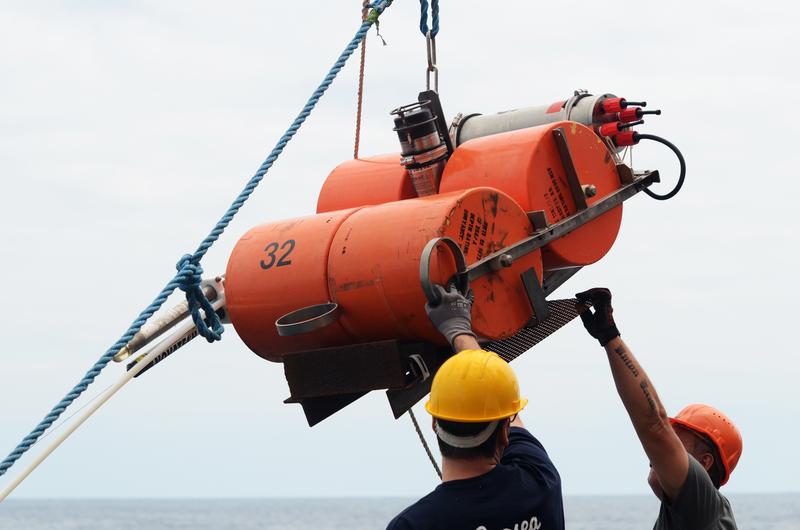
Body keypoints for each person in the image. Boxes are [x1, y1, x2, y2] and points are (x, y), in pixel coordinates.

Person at [387, 285, 565, 530]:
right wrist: (459, 331)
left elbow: (505, 413)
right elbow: (503, 407)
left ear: (434, 423)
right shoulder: (540, 483)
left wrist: (457, 331)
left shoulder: (413, 525)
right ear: (504, 432)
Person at [575, 287, 742, 530]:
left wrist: (609, 336)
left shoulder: (700, 505)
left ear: (704, 463)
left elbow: (654, 426)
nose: (660, 448)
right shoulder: (686, 512)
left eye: (676, 437)